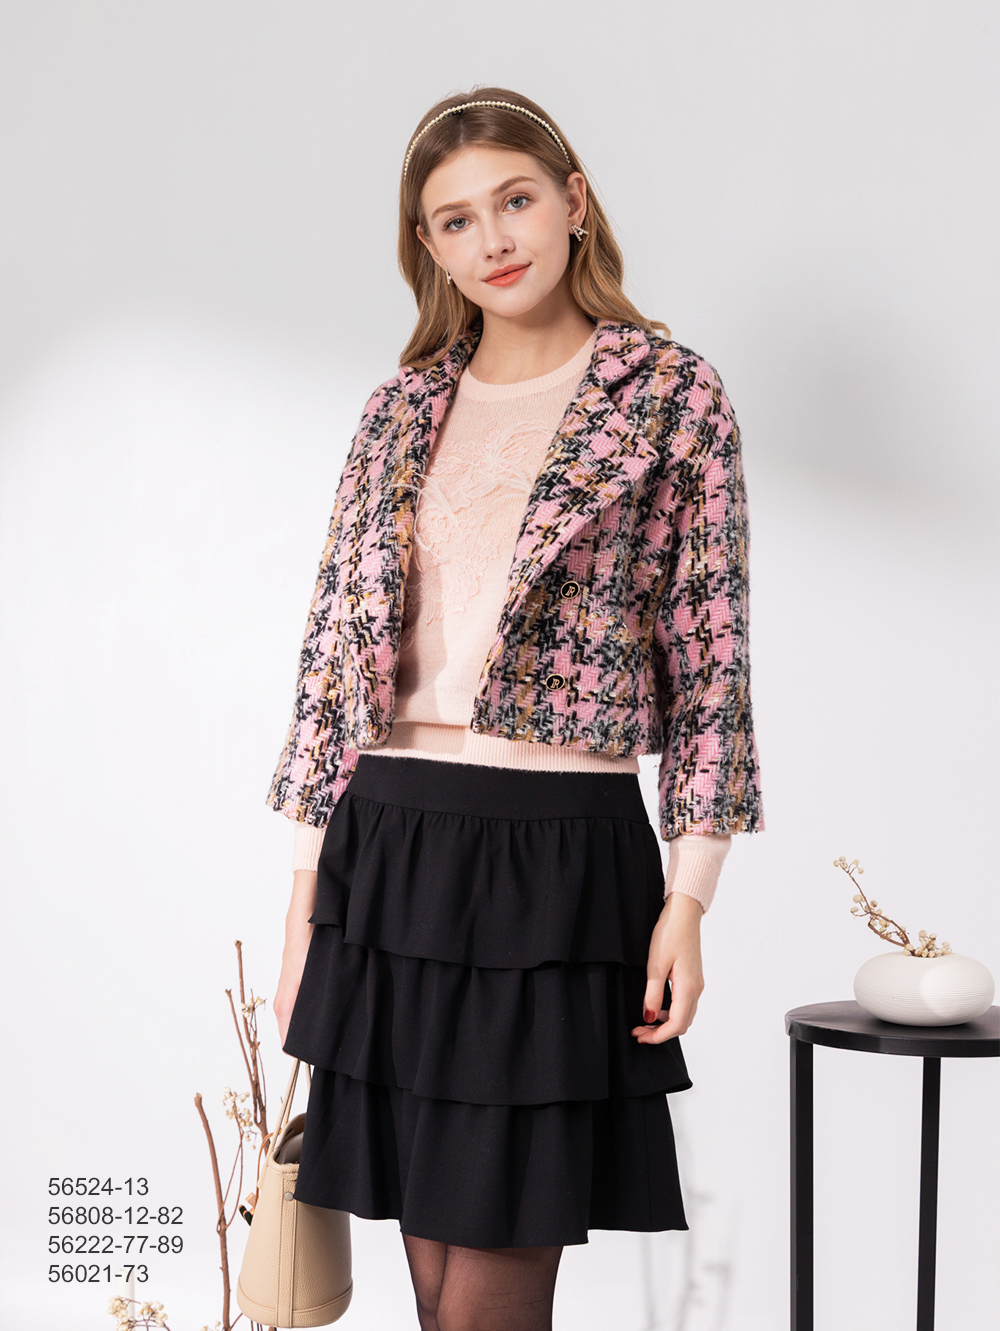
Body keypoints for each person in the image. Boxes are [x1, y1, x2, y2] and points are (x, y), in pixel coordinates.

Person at [268, 87, 763, 1331]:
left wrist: (689, 898)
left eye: (515, 199)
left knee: (488, 1281)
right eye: (455, 220)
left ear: (572, 201)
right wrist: (302, 906)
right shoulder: (397, 411)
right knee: (435, 1282)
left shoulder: (667, 395)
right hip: (389, 848)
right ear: (426, 247)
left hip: (556, 860)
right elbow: (331, 661)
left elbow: (710, 663)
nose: (492, 237)